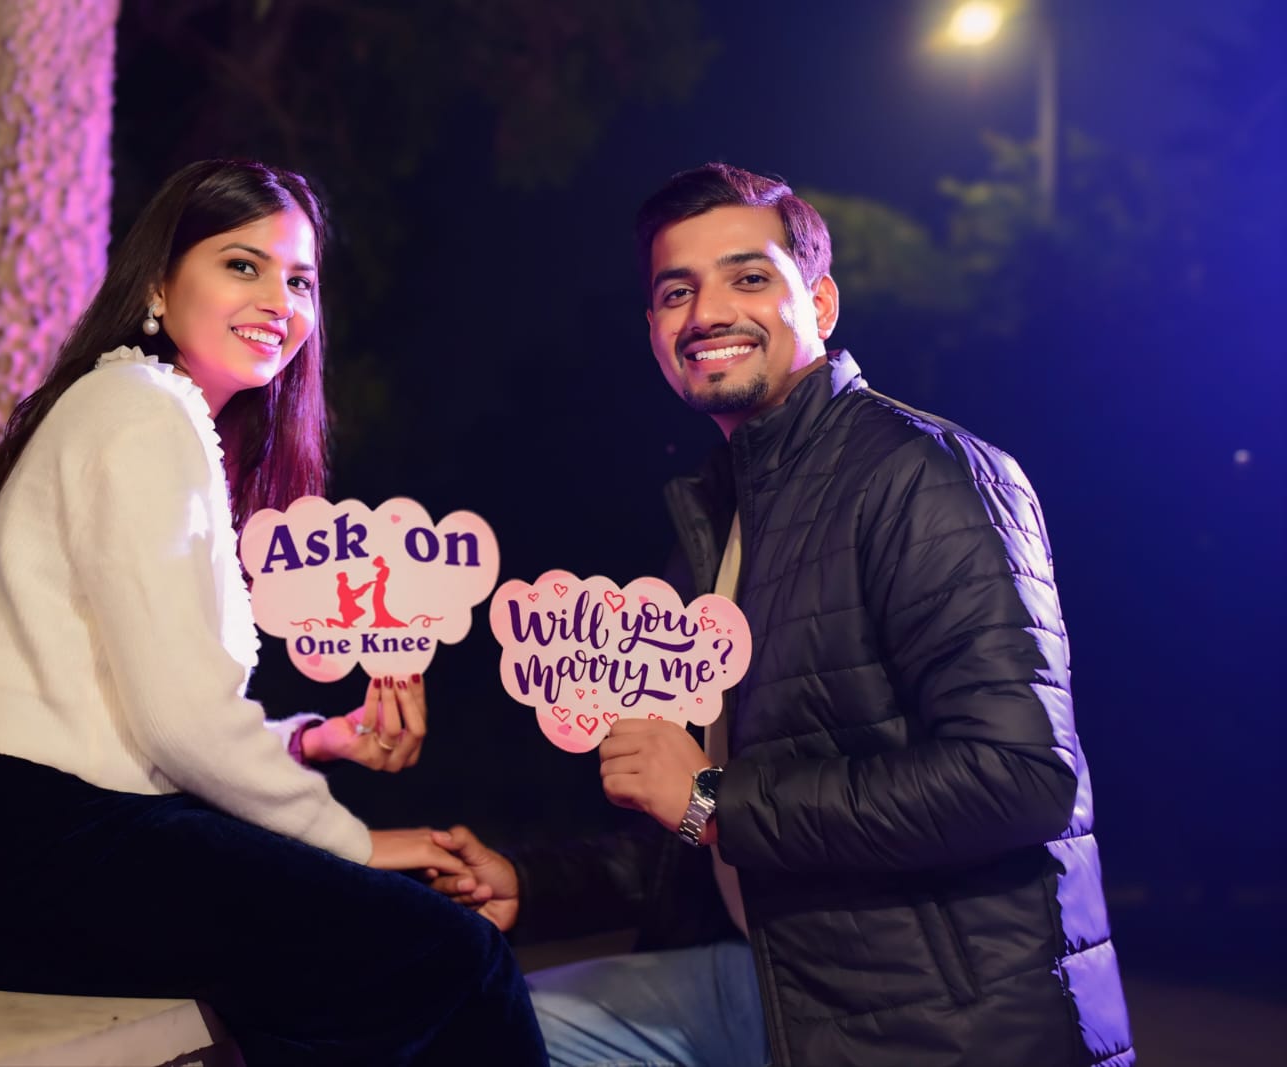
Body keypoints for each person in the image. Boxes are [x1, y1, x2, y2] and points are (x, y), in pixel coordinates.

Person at [433, 163, 1133, 1067]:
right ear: (654, 331)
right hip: (772, 972)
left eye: (749, 277)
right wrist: (532, 882)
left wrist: (713, 799)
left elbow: (1020, 777)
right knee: (480, 1028)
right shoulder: (715, 526)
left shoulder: (924, 473)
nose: (708, 312)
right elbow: (702, 824)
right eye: (677, 291)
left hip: (932, 1018)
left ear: (821, 303)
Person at [0, 158, 547, 1066]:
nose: (279, 300)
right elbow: (178, 724)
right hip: (65, 864)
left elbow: (134, 721)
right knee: (458, 956)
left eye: (300, 280)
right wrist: (356, 845)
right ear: (158, 285)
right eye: (243, 265)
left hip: (57, 863)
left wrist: (311, 741)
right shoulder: (139, 413)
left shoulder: (146, 411)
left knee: (372, 974)